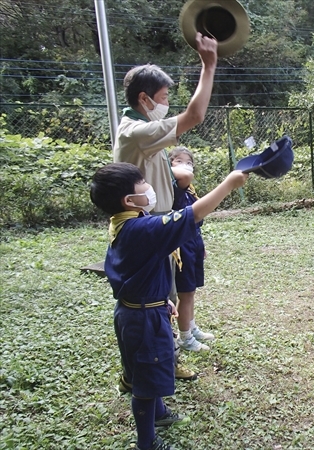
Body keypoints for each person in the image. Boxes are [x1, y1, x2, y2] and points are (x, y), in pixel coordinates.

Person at [90, 162, 248, 450]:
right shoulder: (141, 228)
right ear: (129, 199)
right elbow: (193, 214)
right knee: (146, 381)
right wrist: (229, 184)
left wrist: (161, 299)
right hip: (142, 318)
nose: (148, 187)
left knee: (150, 366)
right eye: (142, 184)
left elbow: (139, 269)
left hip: (142, 307)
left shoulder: (125, 221)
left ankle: (159, 414)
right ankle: (146, 442)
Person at [113, 32, 218, 381]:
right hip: (148, 229)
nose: (166, 103)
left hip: (157, 226)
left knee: (162, 298)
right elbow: (196, 114)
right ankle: (156, 365)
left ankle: (155, 362)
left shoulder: (142, 129)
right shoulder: (136, 132)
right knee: (156, 301)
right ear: (144, 99)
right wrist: (209, 63)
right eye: (162, 97)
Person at [168, 147, 214, 352]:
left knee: (191, 291)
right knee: (185, 292)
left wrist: (200, 246)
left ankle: (191, 326)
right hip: (180, 248)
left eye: (189, 162)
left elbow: (195, 221)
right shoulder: (174, 186)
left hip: (193, 243)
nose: (185, 166)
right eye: (178, 161)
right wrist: (176, 168)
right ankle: (185, 338)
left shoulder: (189, 191)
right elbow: (184, 176)